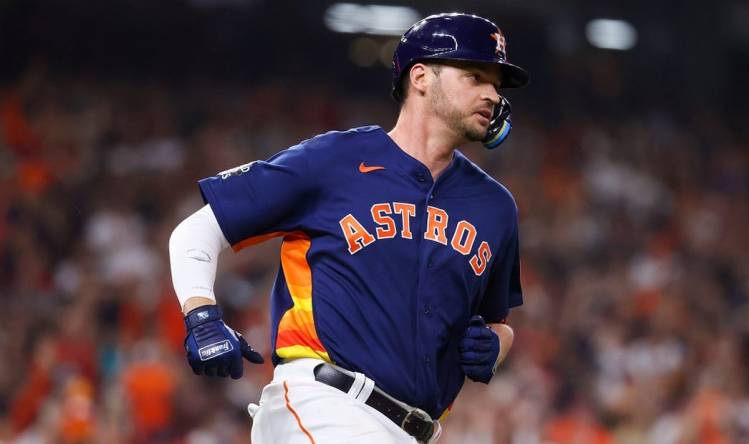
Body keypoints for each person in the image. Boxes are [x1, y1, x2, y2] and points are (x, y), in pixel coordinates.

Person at [169, 12, 528, 444]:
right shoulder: (334, 159)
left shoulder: (495, 207)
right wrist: (202, 316)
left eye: (496, 84)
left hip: (417, 432)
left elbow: (496, 321)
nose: (492, 93)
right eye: (475, 76)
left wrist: (495, 347)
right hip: (324, 401)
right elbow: (196, 231)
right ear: (420, 77)